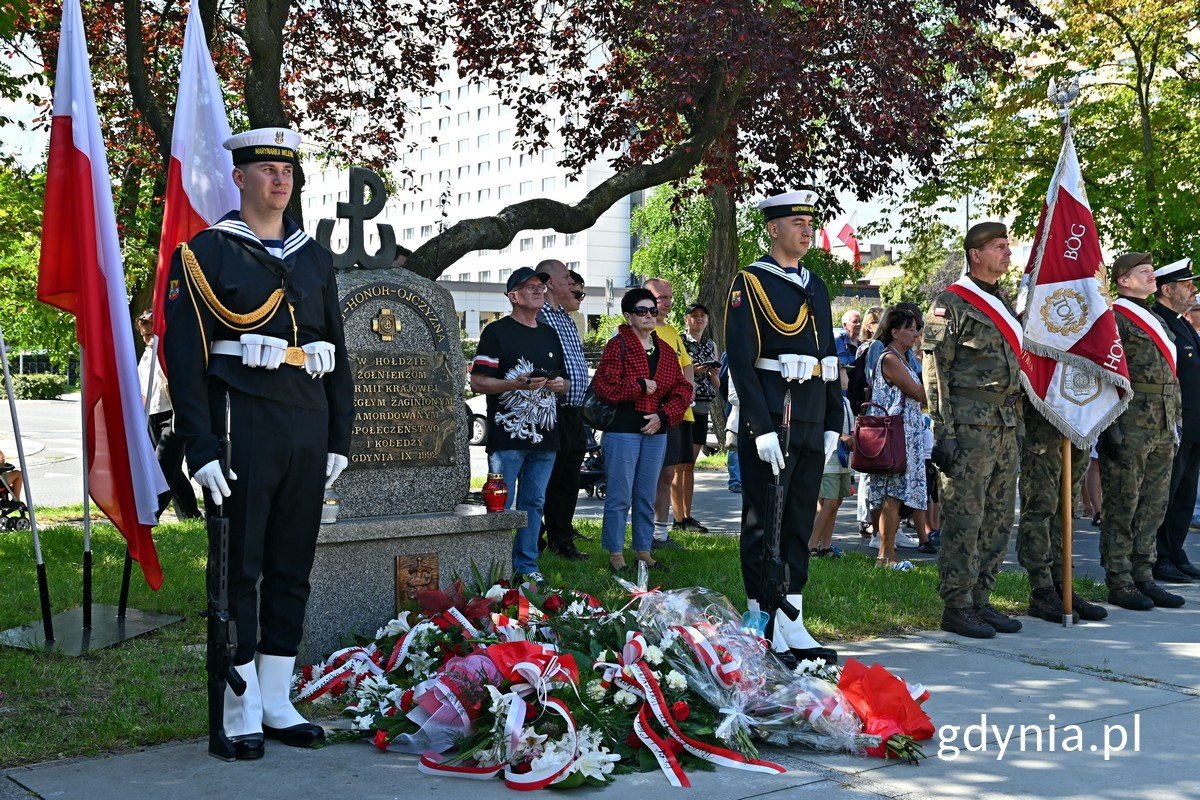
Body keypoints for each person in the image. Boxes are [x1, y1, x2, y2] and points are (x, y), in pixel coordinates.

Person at [163, 127, 355, 758]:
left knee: (292, 565)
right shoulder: (208, 252)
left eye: (288, 170)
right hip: (239, 419)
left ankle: (276, 697)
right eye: (267, 169)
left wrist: (338, 435)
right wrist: (200, 448)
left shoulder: (313, 255)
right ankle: (238, 701)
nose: (280, 180)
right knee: (240, 565)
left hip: (304, 420)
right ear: (239, 177)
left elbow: (339, 352)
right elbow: (186, 359)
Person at [725, 188, 842, 664]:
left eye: (810, 222)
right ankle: (762, 614)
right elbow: (741, 359)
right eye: (797, 222)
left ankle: (793, 615)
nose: (807, 230)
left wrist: (834, 417)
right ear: (773, 229)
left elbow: (829, 355)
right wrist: (759, 425)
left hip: (812, 414)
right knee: (764, 517)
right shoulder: (750, 284)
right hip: (775, 415)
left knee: (797, 517)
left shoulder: (815, 284)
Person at [923, 222, 1024, 640]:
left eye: (1007, 247)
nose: (1007, 254)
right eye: (999, 248)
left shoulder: (1003, 303)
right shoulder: (950, 303)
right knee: (966, 517)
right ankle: (958, 604)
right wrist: (941, 431)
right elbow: (935, 371)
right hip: (967, 429)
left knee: (998, 519)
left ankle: (982, 599)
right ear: (975, 254)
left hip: (1005, 426)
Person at [1096, 252, 1185, 610]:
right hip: (1130, 423)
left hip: (1162, 424)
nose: (1151, 277)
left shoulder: (1157, 320)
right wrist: (1109, 427)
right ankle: (1119, 579)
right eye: (1144, 272)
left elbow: (1170, 376)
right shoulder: (1114, 318)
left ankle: (1143, 575)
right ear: (1123, 280)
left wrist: (1174, 420)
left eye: (1151, 272)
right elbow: (1104, 376)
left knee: (1153, 505)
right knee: (1123, 504)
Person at [471, 267, 569, 587]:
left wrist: (558, 385)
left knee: (534, 503)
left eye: (541, 285)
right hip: (507, 434)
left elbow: (564, 380)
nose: (539, 290)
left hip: (546, 433)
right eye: (530, 287)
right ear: (513, 296)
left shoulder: (549, 333)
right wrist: (513, 384)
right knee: (500, 503)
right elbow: (477, 381)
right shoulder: (496, 332)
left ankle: (526, 564)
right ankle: (493, 565)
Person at [591, 288, 692, 574]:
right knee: (620, 495)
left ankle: (644, 550)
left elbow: (683, 389)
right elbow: (605, 388)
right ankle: (614, 552)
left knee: (646, 494)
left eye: (653, 310)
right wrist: (638, 386)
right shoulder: (618, 345)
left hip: (656, 431)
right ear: (628, 316)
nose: (649, 315)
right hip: (622, 430)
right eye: (641, 311)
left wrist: (664, 416)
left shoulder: (664, 349)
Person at [1016, 398, 1108, 623]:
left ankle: (1062, 583)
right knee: (1041, 505)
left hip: (1078, 418)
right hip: (1044, 414)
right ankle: (1041, 588)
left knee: (1066, 507)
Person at [534, 259, 590, 561]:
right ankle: (539, 537)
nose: (571, 281)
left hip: (573, 412)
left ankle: (562, 538)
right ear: (550, 282)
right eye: (566, 277)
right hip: (550, 410)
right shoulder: (539, 314)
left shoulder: (564, 317)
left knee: (569, 478)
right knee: (548, 478)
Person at [865, 305, 928, 571]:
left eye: (916, 328)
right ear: (894, 331)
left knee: (896, 497)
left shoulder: (903, 357)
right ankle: (885, 555)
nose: (915, 333)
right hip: (895, 435)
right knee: (892, 496)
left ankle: (887, 554)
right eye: (910, 329)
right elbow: (917, 392)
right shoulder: (890, 358)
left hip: (906, 432)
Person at [1150, 258, 1200, 582]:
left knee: (1185, 494)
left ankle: (1175, 551)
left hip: (1194, 425)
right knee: (1166, 495)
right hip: (1175, 425)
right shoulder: (1159, 323)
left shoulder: (1180, 322)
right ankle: (1160, 557)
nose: (1193, 289)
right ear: (1167, 290)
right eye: (1186, 284)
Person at [642, 277, 696, 548]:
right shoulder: (639, 331)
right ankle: (645, 534)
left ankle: (661, 533)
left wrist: (689, 390)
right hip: (652, 414)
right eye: (661, 297)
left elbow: (686, 364)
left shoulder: (673, 332)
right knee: (650, 476)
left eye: (669, 298)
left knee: (668, 474)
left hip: (676, 414)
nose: (666, 303)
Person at [136, 310, 200, 521]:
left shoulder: (172, 350)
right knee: (171, 469)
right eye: (144, 334)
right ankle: (190, 514)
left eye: (150, 332)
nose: (147, 338)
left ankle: (151, 514)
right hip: (152, 415)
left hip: (173, 413)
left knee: (161, 466)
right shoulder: (146, 355)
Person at [674, 302, 720, 531]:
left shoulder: (711, 344)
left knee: (689, 465)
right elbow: (676, 371)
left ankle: (687, 515)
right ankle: (677, 517)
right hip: (684, 406)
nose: (699, 319)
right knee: (679, 464)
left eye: (703, 315)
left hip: (703, 406)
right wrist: (693, 369)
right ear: (686, 319)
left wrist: (712, 372)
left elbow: (717, 384)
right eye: (694, 315)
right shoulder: (679, 341)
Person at [809, 367, 853, 558]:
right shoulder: (823, 398)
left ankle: (825, 546)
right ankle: (810, 546)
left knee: (835, 503)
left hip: (843, 461)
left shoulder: (846, 401)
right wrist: (841, 436)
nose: (848, 377)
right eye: (844, 372)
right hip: (828, 461)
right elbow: (819, 424)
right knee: (829, 503)